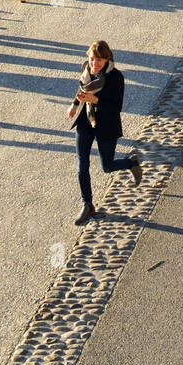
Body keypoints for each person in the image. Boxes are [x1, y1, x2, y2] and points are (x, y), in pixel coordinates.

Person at [68, 40, 142, 226]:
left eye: (99, 60)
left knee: (107, 166)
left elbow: (116, 107)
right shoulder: (86, 69)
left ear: (107, 58)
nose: (95, 64)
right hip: (86, 120)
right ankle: (88, 204)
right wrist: (75, 104)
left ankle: (131, 163)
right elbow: (82, 88)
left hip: (106, 124)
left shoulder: (116, 77)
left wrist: (95, 99)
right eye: (93, 59)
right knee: (81, 164)